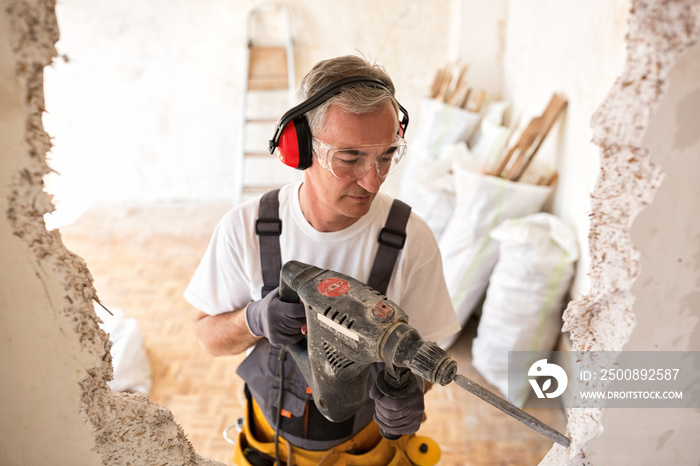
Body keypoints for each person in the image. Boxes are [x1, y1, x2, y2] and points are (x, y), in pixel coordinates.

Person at [184, 55, 460, 465]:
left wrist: (410, 391)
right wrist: (253, 319)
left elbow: (423, 352)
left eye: (386, 156)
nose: (373, 179)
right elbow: (207, 337)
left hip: (366, 450)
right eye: (349, 159)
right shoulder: (247, 228)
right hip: (268, 445)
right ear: (300, 148)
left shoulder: (409, 239)